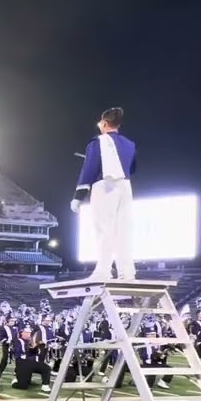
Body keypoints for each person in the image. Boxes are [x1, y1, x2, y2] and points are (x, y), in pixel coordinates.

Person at [72, 106, 137, 281]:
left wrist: (78, 196)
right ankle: (127, 272)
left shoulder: (97, 141)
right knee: (123, 230)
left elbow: (89, 169)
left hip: (104, 185)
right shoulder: (130, 144)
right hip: (125, 186)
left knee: (104, 229)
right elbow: (132, 167)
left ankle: (103, 271)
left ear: (104, 123)